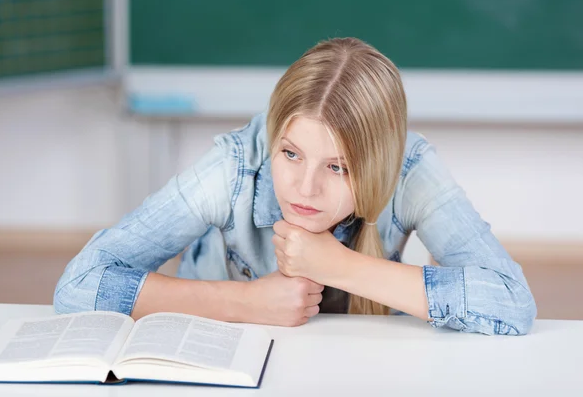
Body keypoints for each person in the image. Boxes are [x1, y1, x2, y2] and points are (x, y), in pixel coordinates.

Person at [54, 37, 536, 335]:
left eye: (338, 168)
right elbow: (78, 285)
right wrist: (244, 301)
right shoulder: (236, 164)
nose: (304, 189)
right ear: (274, 134)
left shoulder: (409, 169)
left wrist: (340, 266)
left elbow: (511, 302)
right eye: (291, 154)